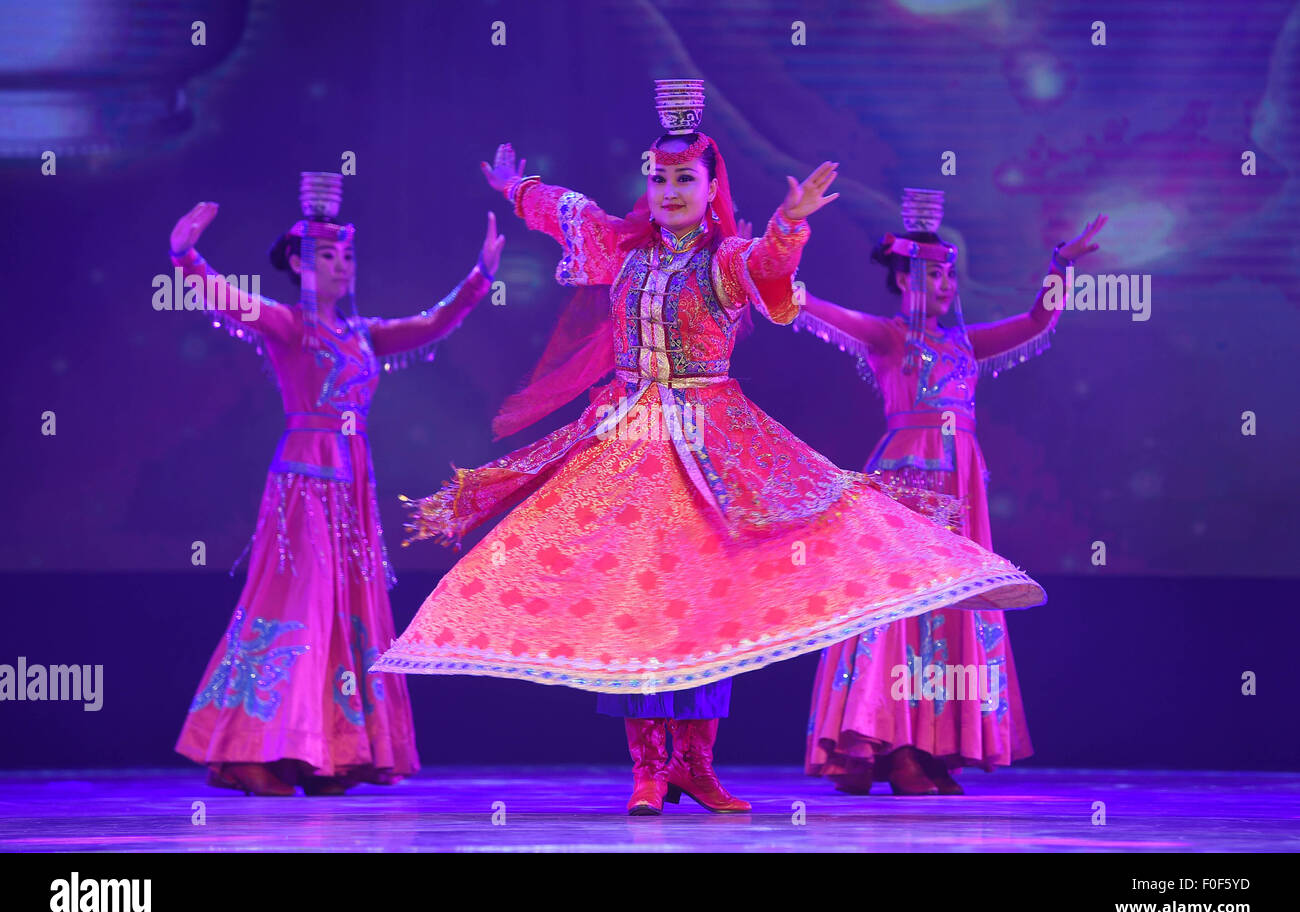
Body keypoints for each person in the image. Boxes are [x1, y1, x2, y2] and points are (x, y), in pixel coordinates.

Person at [372, 84, 1045, 815]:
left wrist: (789, 224)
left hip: (716, 446)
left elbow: (768, 271)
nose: (667, 190)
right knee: (638, 603)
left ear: (711, 186)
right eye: (658, 178)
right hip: (630, 443)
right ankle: (649, 769)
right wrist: (518, 187)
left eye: (684, 178)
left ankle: (696, 764)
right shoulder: (621, 246)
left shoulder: (725, 260)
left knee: (710, 602)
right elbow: (566, 212)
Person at [171, 172, 502, 795]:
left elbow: (432, 323)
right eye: (327, 255)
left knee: (349, 608)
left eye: (349, 255)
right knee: (301, 603)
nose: (343, 265)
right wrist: (186, 257)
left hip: (352, 486)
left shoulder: (362, 334)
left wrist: (480, 278)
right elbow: (228, 300)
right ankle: (265, 748)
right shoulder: (293, 327)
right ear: (297, 263)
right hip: (303, 482)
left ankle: (336, 749)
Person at [797, 188, 1105, 794]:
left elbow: (1039, 321)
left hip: (961, 487)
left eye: (950, 274)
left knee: (950, 612)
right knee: (899, 613)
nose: (946, 285)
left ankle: (935, 745)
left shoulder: (964, 342)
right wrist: (768, 253)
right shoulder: (889, 338)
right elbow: (813, 307)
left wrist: (1059, 266)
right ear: (907, 280)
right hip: (905, 481)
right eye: (935, 274)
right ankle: (893, 743)